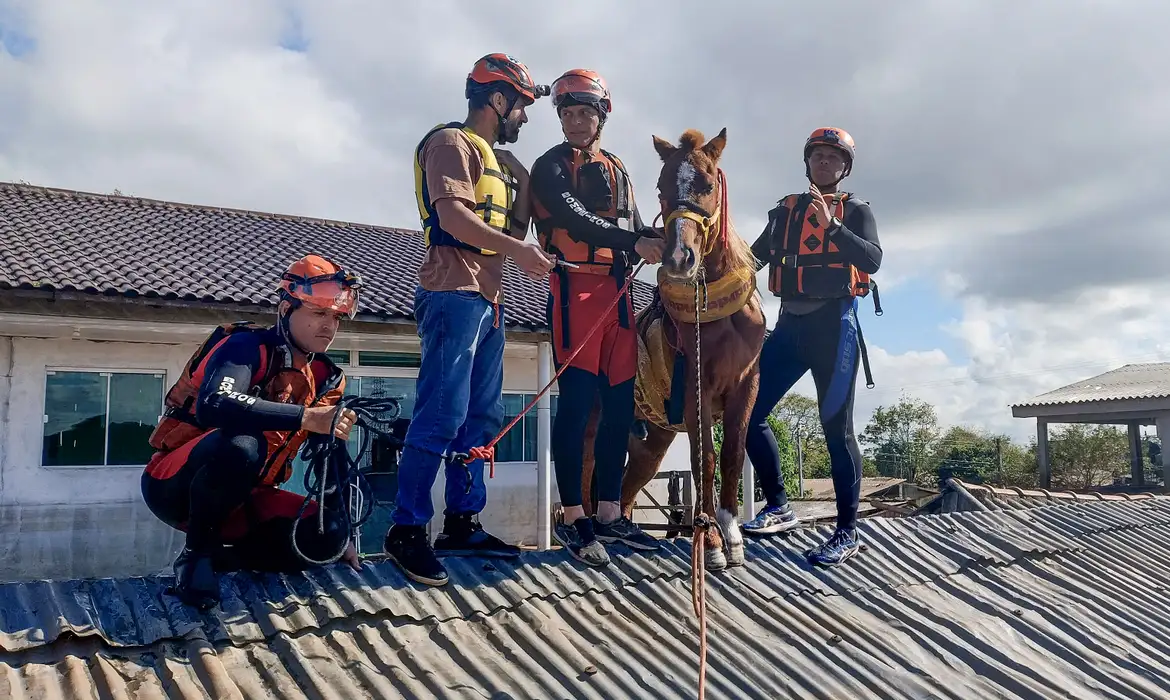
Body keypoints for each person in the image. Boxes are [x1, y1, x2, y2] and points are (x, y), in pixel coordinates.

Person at [383, 53, 557, 587]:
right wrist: (519, 251)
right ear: (497, 100)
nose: (524, 118)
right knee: (442, 412)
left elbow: (533, 209)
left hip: (490, 301)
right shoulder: (450, 144)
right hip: (452, 293)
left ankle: (461, 521)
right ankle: (406, 529)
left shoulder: (501, 163)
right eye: (522, 106)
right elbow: (454, 216)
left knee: (480, 418)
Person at [141, 254, 365, 609]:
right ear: (285, 308)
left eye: (336, 317)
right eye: (319, 314)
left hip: (249, 496)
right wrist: (305, 417)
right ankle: (195, 557)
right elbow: (214, 402)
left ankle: (225, 559)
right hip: (176, 484)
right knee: (244, 446)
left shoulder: (327, 377)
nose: (329, 327)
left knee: (327, 538)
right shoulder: (246, 346)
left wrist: (343, 534)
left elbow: (330, 458)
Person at [528, 69, 666, 567]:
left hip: (621, 294)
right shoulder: (550, 166)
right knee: (577, 407)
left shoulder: (618, 167)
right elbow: (571, 218)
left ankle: (610, 513)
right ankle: (572, 516)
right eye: (567, 113)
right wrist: (635, 242)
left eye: (585, 112)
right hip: (576, 291)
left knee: (618, 408)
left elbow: (631, 225)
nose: (576, 121)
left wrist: (668, 236)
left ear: (602, 116)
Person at [742, 127, 883, 567]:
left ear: (845, 168)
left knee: (836, 432)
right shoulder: (785, 211)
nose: (825, 163)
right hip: (789, 327)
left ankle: (847, 532)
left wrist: (832, 226)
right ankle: (779, 506)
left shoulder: (856, 210)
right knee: (747, 412)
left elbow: (873, 259)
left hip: (834, 328)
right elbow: (752, 259)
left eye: (833, 158)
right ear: (807, 162)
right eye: (818, 156)